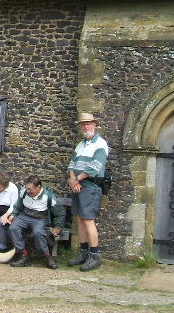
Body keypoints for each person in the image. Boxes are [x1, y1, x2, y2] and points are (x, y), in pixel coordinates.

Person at [67, 113, 109, 271]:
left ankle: (94, 255)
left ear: (94, 125)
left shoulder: (101, 144)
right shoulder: (80, 145)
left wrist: (77, 179)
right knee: (80, 220)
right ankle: (83, 253)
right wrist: (73, 180)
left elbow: (95, 167)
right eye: (83, 124)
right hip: (78, 185)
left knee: (88, 220)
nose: (86, 127)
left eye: (88, 124)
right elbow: (72, 164)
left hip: (91, 187)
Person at [8, 175, 65, 270]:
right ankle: (24, 255)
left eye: (30, 189)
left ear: (38, 187)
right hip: (24, 215)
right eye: (27, 188)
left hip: (40, 218)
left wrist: (58, 227)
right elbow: (18, 206)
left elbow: (60, 213)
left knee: (38, 232)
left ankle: (47, 256)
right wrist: (13, 214)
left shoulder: (48, 197)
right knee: (13, 228)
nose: (28, 191)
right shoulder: (24, 193)